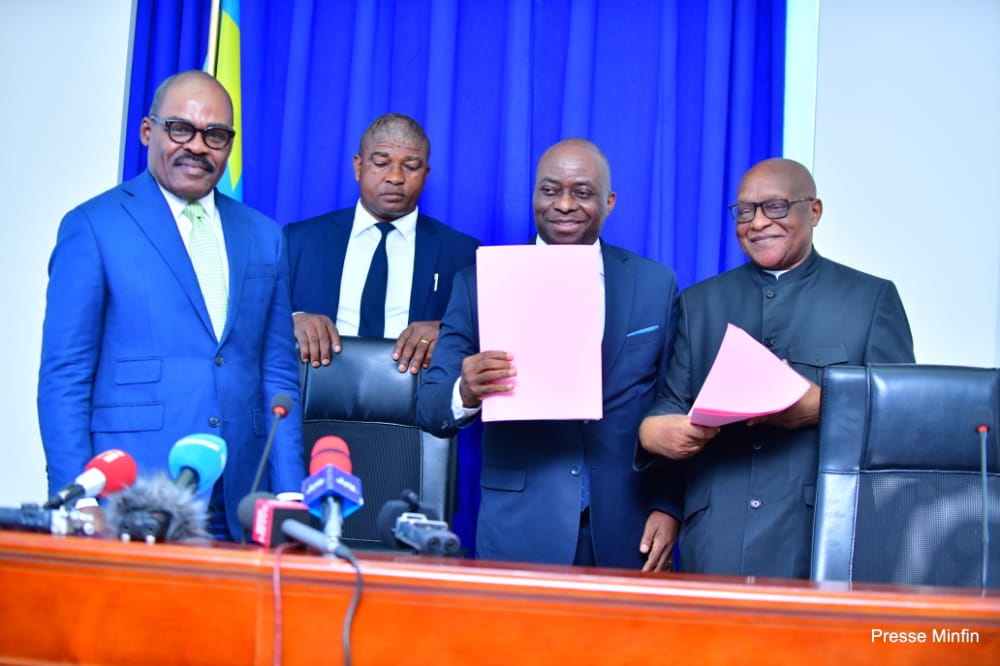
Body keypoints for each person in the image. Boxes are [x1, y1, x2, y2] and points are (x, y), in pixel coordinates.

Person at [37, 71, 304, 541]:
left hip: (240, 499)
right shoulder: (93, 227)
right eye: (181, 129)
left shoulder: (264, 236)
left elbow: (277, 374)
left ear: (229, 144)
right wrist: (79, 499)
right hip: (131, 494)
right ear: (148, 131)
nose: (197, 146)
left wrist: (290, 496)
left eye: (215, 135)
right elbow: (65, 376)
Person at [637, 157, 914, 579]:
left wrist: (823, 406)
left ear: (814, 211)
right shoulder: (700, 302)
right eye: (745, 211)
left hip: (820, 534)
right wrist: (653, 434)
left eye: (776, 207)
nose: (758, 222)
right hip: (715, 537)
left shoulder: (871, 299)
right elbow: (672, 403)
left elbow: (902, 420)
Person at [416, 139, 679, 570]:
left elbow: (673, 403)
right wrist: (466, 390)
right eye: (550, 190)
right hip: (520, 528)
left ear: (610, 202)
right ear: (534, 195)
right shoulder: (479, 282)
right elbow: (430, 408)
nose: (565, 204)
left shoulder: (655, 284)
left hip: (628, 528)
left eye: (583, 192)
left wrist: (669, 507)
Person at [284, 113, 480, 373]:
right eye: (381, 163)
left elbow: (486, 336)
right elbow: (253, 316)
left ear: (426, 174)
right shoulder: (298, 240)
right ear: (358, 167)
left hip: (418, 392)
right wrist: (292, 320)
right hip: (314, 388)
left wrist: (449, 332)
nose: (395, 177)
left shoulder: (463, 253)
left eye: (411, 166)